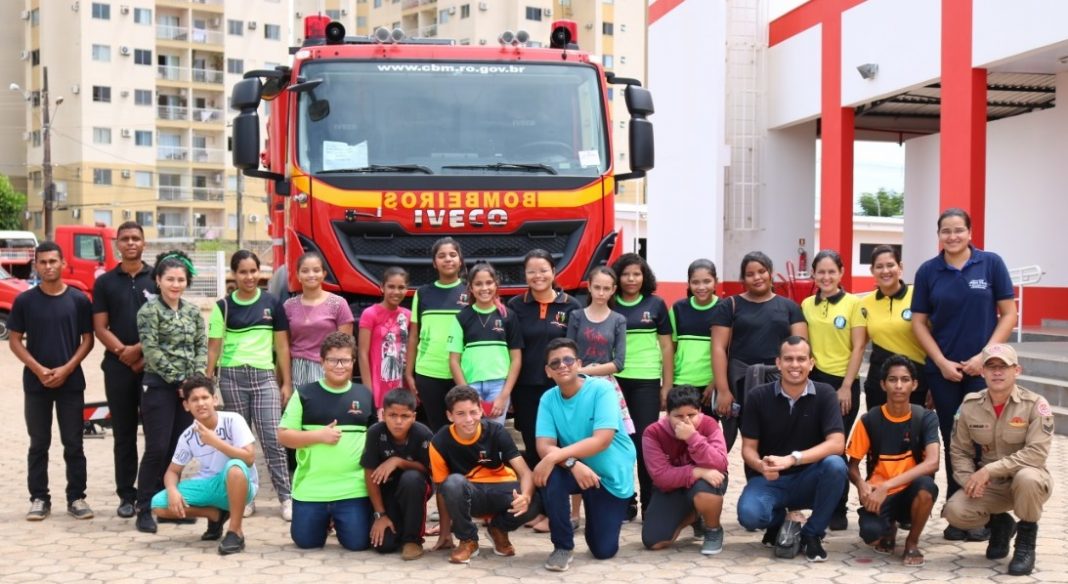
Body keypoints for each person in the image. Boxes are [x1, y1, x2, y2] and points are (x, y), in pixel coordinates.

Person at [911, 208, 1017, 541]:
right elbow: (918, 322)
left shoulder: (991, 264)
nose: (952, 236)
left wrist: (985, 357)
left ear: (970, 232)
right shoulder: (929, 271)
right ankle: (959, 515)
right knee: (953, 440)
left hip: (983, 372)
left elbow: (1009, 314)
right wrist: (941, 362)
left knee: (985, 441)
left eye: (959, 230)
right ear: (938, 235)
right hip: (944, 373)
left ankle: (986, 513)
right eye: (946, 231)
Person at [942, 344, 1055, 577]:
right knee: (954, 511)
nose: (997, 372)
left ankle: (1025, 545)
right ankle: (1001, 524)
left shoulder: (1035, 404)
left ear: (1017, 371)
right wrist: (969, 481)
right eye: (991, 366)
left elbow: (1036, 453)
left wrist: (988, 470)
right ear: (982, 372)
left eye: (1004, 366)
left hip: (1029, 482)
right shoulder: (970, 405)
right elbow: (959, 450)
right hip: (992, 486)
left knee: (1027, 477)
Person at [736, 336, 847, 563]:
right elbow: (748, 449)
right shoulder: (758, 396)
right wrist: (760, 465)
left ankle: (812, 534)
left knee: (836, 465)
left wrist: (793, 459)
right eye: (788, 359)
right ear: (778, 363)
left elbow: (837, 443)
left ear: (811, 363)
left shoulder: (825, 393)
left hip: (809, 478)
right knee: (750, 516)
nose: (795, 365)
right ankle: (779, 522)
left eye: (801, 359)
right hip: (771, 479)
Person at [532, 338, 637, 571]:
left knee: (603, 550)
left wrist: (554, 457)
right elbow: (544, 445)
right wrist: (572, 464)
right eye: (555, 363)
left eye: (568, 360)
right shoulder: (548, 399)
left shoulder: (602, 389)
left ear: (579, 364)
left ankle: (598, 512)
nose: (562, 365)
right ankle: (562, 546)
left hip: (610, 477)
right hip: (579, 471)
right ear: (548, 371)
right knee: (551, 476)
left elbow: (602, 440)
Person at [9, 241, 95, 521]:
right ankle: (39, 498)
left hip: (71, 383)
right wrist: (38, 369)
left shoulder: (79, 300)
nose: (48, 266)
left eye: (53, 261)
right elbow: (14, 340)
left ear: (63, 264)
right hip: (37, 384)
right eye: (43, 262)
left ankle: (77, 498)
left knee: (74, 443)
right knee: (38, 443)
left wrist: (67, 369)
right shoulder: (25, 301)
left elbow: (88, 340)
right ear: (36, 265)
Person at [207, 250, 293, 520]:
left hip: (265, 378)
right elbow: (213, 348)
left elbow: (282, 346)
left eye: (253, 271)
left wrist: (286, 383)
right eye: (242, 272)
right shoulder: (223, 307)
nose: (249, 277)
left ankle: (286, 498)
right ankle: (245, 498)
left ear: (260, 272)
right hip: (232, 378)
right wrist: (208, 383)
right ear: (234, 274)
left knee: (273, 440)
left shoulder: (272, 303)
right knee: (239, 443)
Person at [278, 332, 376, 551]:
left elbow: (375, 438)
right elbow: (284, 436)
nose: (339, 366)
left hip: (353, 489)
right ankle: (324, 521)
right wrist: (318, 436)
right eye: (333, 360)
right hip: (312, 488)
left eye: (345, 360)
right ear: (322, 361)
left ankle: (341, 520)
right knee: (306, 542)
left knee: (357, 544)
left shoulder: (364, 395)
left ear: (353, 362)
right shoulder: (304, 394)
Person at [134, 250, 207, 534]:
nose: (176, 285)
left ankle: (165, 505)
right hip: (159, 387)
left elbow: (201, 346)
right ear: (158, 280)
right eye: (170, 279)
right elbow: (151, 351)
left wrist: (193, 382)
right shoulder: (149, 311)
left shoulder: (192, 311)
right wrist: (179, 381)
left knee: (178, 449)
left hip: (187, 390)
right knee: (157, 448)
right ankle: (143, 508)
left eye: (180, 280)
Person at [846, 355, 940, 567]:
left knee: (927, 487)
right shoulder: (870, 419)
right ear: (883, 384)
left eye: (905, 380)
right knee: (871, 535)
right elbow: (852, 466)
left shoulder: (925, 418)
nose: (898, 386)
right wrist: (861, 485)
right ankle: (889, 528)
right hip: (879, 495)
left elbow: (933, 462)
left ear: (914, 384)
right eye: (892, 379)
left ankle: (912, 543)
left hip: (910, 492)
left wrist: (887, 486)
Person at [430, 385, 540, 564]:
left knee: (537, 498)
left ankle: (498, 529)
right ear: (450, 416)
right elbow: (441, 490)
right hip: (471, 495)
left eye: (473, 412)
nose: (468, 419)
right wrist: (444, 533)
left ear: (481, 410)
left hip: (502, 491)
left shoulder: (496, 431)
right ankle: (468, 540)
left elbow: (525, 472)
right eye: (460, 414)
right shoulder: (440, 441)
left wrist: (525, 497)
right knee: (452, 483)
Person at [150, 374, 258, 555]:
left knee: (235, 468)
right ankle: (215, 515)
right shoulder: (188, 435)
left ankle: (235, 532)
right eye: (194, 400)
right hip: (209, 485)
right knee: (159, 504)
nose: (201, 403)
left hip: (240, 483)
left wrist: (215, 442)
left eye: (205, 397)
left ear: (214, 399)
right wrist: (172, 491)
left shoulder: (233, 420)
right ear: (186, 405)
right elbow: (172, 471)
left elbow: (249, 458)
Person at [711, 251, 807, 452]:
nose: (757, 277)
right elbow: (718, 348)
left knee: (778, 439)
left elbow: (801, 349)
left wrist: (797, 387)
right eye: (750, 274)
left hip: (779, 383)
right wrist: (723, 390)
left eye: (762, 271)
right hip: (740, 383)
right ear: (743, 279)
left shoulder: (790, 308)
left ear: (770, 272)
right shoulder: (729, 305)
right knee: (749, 438)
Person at [560, 266, 631, 531]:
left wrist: (586, 371)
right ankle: (574, 511)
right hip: (576, 386)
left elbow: (619, 362)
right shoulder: (577, 316)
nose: (601, 292)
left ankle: (608, 503)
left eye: (606, 288)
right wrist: (577, 373)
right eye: (597, 287)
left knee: (605, 443)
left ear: (613, 290)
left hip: (604, 387)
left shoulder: (618, 320)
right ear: (589, 287)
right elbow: (568, 351)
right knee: (576, 442)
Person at [92, 221, 155, 518]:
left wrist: (140, 351)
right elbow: (100, 327)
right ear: (117, 243)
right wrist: (124, 353)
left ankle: (152, 494)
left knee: (156, 433)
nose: (131, 243)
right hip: (117, 368)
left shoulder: (157, 277)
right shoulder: (105, 282)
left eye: (136, 238)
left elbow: (165, 322)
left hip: (153, 367)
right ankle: (127, 496)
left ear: (144, 243)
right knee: (124, 434)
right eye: (125, 239)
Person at [800, 249, 866, 530]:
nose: (826, 277)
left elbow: (859, 347)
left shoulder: (854, 304)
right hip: (814, 382)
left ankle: (838, 508)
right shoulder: (806, 304)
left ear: (841, 273)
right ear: (813, 275)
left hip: (842, 384)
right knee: (814, 444)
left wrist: (847, 386)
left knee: (836, 447)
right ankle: (819, 505)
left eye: (831, 272)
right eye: (821, 272)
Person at [611, 252, 673, 518]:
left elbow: (667, 347)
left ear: (644, 276)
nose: (631, 279)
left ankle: (650, 503)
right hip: (614, 380)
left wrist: (666, 385)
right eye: (625, 274)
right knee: (619, 443)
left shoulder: (656, 304)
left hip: (646, 381)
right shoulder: (609, 302)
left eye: (636, 274)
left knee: (645, 443)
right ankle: (626, 501)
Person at [506, 249, 580, 468]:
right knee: (533, 443)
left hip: (561, 387)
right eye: (531, 271)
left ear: (554, 272)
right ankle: (538, 489)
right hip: (526, 388)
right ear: (525, 274)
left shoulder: (571, 305)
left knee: (565, 443)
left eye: (543, 270)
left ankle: (563, 487)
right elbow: (511, 349)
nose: (538, 276)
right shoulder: (515, 306)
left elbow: (575, 349)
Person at [641, 384, 729, 556]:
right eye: (678, 416)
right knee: (654, 541)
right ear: (667, 414)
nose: (685, 421)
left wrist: (693, 438)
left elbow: (720, 464)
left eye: (691, 415)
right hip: (672, 487)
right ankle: (693, 515)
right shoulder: (653, 433)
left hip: (705, 484)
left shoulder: (709, 424)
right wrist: (698, 472)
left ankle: (713, 530)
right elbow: (661, 477)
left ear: (700, 412)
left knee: (705, 490)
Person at [360, 388, 434, 560]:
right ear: (383, 414)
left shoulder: (423, 434)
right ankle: (398, 528)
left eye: (405, 416)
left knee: (411, 479)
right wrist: (380, 515)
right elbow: (369, 474)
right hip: (387, 489)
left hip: (415, 487)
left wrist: (398, 461)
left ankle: (413, 540)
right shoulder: (375, 433)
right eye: (392, 415)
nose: (398, 422)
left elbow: (428, 471)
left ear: (413, 417)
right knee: (384, 545)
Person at [447, 263, 522, 428]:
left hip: (499, 386)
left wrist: (504, 395)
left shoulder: (508, 316)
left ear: (496, 284)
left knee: (495, 432)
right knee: (472, 431)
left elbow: (516, 359)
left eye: (489, 282)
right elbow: (453, 361)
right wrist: (467, 393)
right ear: (470, 288)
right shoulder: (461, 318)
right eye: (478, 284)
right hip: (470, 385)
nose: (484, 288)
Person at [405, 237, 467, 431]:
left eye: (452, 255)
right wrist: (409, 373)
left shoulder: (471, 291)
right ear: (434, 263)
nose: (447, 259)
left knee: (465, 426)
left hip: (464, 372)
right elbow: (413, 336)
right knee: (438, 429)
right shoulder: (422, 293)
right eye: (441, 256)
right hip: (429, 373)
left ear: (460, 260)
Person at [860, 245, 928, 409]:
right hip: (878, 382)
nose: (885, 271)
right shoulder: (864, 303)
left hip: (915, 381)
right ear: (872, 270)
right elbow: (859, 344)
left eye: (890, 265)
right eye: (879, 266)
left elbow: (935, 336)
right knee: (877, 425)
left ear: (900, 267)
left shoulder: (918, 294)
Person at [283, 251, 354, 388]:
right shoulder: (289, 306)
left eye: (316, 270)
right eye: (305, 271)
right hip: (297, 370)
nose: (311, 275)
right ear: (298, 275)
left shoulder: (338, 304)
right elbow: (283, 346)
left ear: (324, 274)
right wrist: (283, 382)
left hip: (328, 369)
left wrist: (346, 383)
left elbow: (347, 348)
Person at [358, 266, 411, 410]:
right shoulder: (370, 314)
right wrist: (368, 390)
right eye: (391, 287)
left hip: (399, 381)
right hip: (377, 382)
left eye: (401, 287)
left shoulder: (408, 315)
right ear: (382, 287)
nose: (396, 292)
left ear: (407, 289)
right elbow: (362, 353)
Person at [671, 259, 720, 404]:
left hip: (710, 385)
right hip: (681, 382)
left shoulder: (725, 309)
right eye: (695, 282)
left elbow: (729, 352)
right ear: (688, 283)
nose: (701, 287)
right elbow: (670, 349)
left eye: (707, 281)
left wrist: (715, 382)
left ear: (716, 282)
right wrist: (668, 383)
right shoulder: (678, 309)